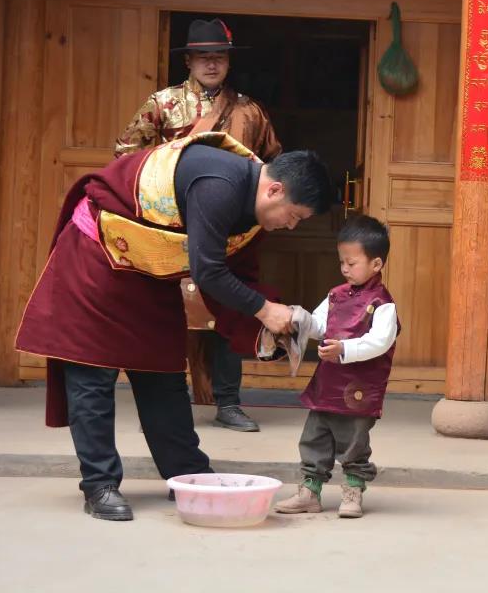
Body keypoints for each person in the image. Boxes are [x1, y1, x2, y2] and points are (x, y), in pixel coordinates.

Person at [16, 132, 332, 520]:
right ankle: (99, 484)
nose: (291, 226)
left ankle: (187, 474)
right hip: (99, 256)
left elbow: (238, 275)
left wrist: (270, 325)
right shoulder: (219, 184)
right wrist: (264, 310)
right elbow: (209, 272)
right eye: (294, 215)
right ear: (275, 190)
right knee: (92, 376)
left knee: (163, 373)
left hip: (152, 270)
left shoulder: (252, 209)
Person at [116, 18, 282, 433]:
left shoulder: (250, 110)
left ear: (228, 62)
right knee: (165, 313)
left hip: (232, 230)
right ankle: (164, 402)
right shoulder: (162, 103)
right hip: (170, 226)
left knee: (231, 307)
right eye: (203, 57)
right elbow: (126, 154)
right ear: (188, 61)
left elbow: (273, 165)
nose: (211, 64)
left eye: (219, 57)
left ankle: (229, 402)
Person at [274, 215, 398, 519]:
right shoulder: (335, 295)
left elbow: (380, 342)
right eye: (342, 261)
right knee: (314, 436)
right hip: (328, 383)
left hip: (358, 389)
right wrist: (300, 319)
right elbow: (320, 325)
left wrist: (345, 349)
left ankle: (353, 490)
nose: (344, 268)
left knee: (354, 441)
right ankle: (309, 491)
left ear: (376, 264)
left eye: (351, 263)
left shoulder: (383, 304)